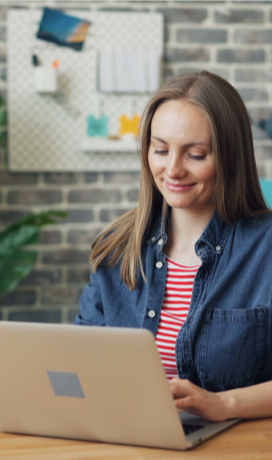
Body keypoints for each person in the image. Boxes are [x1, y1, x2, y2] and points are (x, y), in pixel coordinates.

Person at [75, 71, 272, 422]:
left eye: (195, 155)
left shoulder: (265, 248)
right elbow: (80, 361)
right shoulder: (115, 251)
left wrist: (223, 404)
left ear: (230, 159)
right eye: (161, 150)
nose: (173, 169)